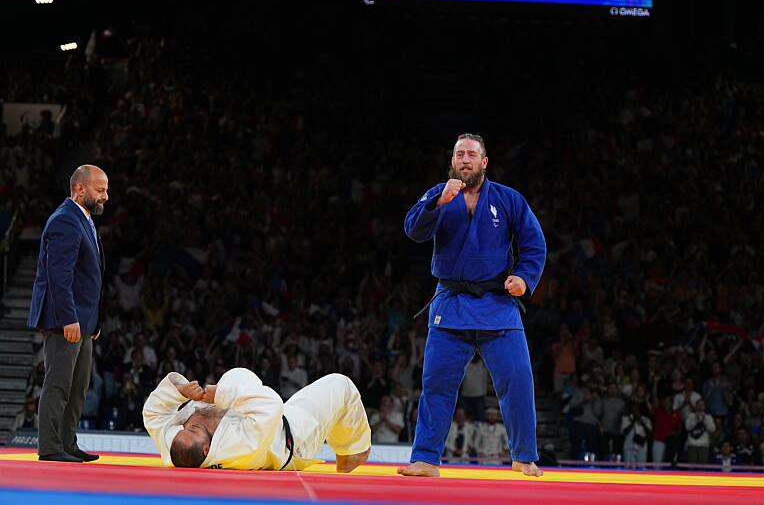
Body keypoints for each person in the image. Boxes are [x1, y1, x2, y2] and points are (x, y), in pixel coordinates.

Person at [399, 133, 546, 477]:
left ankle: (524, 456)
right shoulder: (439, 195)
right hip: (450, 303)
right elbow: (413, 231)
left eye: (471, 155)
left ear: (484, 162)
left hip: (497, 301)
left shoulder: (509, 200)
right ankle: (425, 459)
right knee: (436, 382)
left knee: (519, 378)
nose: (465, 159)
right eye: (459, 154)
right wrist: (436, 204)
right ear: (452, 162)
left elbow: (534, 243)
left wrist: (524, 278)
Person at [27, 165, 108, 463]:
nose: (106, 197)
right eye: (100, 190)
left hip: (83, 320)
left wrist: (93, 320)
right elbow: (58, 276)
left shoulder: (83, 220)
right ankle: (50, 447)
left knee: (77, 388)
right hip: (67, 320)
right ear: (80, 189)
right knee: (58, 384)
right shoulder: (64, 220)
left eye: (106, 190)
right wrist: (68, 318)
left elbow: (91, 276)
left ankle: (67, 442)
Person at [143, 367, 371, 471]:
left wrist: (181, 390)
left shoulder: (174, 442)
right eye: (194, 431)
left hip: (257, 419)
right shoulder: (237, 449)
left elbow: (152, 413)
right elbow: (272, 405)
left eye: (184, 428)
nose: (189, 425)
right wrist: (221, 395)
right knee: (340, 385)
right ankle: (353, 452)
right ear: (206, 450)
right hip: (292, 438)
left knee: (235, 375)